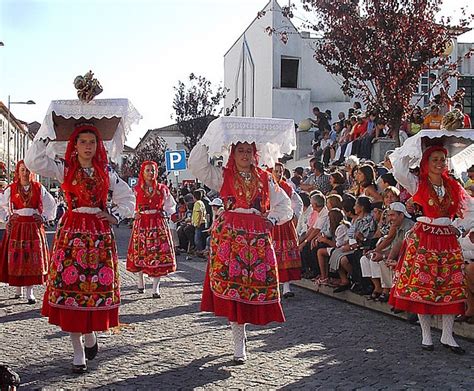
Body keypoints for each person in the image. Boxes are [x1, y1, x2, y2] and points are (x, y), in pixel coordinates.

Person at [24, 124, 135, 373]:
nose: (87, 146)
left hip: (98, 235)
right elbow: (33, 162)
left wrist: (114, 215)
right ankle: (77, 351)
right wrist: (46, 133)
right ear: (74, 145)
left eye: (91, 142)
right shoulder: (65, 169)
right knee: (71, 288)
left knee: (94, 288)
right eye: (82, 141)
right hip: (72, 233)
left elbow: (128, 198)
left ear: (98, 146)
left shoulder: (107, 173)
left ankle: (90, 333)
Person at [188, 139, 292, 364]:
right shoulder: (223, 175)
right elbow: (197, 165)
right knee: (233, 286)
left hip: (257, 237)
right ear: (232, 154)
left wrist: (272, 219)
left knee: (252, 286)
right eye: (240, 151)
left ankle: (241, 337)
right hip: (229, 237)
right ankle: (238, 340)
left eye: (248, 151)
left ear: (255, 154)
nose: (245, 155)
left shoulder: (265, 178)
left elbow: (285, 205)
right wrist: (208, 140)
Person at [389, 145, 472, 354]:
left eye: (442, 159)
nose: (439, 163)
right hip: (425, 237)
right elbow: (398, 169)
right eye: (434, 159)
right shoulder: (418, 183)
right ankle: (426, 336)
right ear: (426, 162)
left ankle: (447, 335)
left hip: (447, 239)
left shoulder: (452, 184)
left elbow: (468, 207)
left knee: (450, 286)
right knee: (423, 285)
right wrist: (412, 148)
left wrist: (459, 227)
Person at [0, 161, 56, 303]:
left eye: (27, 170)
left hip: (33, 227)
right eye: (22, 170)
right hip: (17, 227)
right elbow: (1, 204)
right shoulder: (11, 188)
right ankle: (18, 288)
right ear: (17, 172)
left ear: (32, 172)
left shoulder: (38, 187)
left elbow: (51, 204)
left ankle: (29, 292)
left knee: (32, 259)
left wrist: (43, 217)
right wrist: (7, 217)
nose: (25, 173)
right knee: (16, 257)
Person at [126, 161, 177, 298]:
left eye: (153, 170)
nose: (151, 173)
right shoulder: (136, 190)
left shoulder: (162, 189)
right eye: (148, 170)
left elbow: (170, 204)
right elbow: (129, 204)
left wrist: (172, 214)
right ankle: (140, 280)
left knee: (158, 255)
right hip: (142, 223)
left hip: (158, 223)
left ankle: (155, 288)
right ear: (143, 172)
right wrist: (133, 213)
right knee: (141, 253)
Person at [272, 162, 303, 298]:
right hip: (270, 225)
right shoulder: (266, 186)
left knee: (286, 255)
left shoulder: (287, 187)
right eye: (276, 171)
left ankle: (286, 287)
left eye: (281, 171)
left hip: (285, 225)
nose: (279, 174)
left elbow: (298, 202)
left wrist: (294, 216)